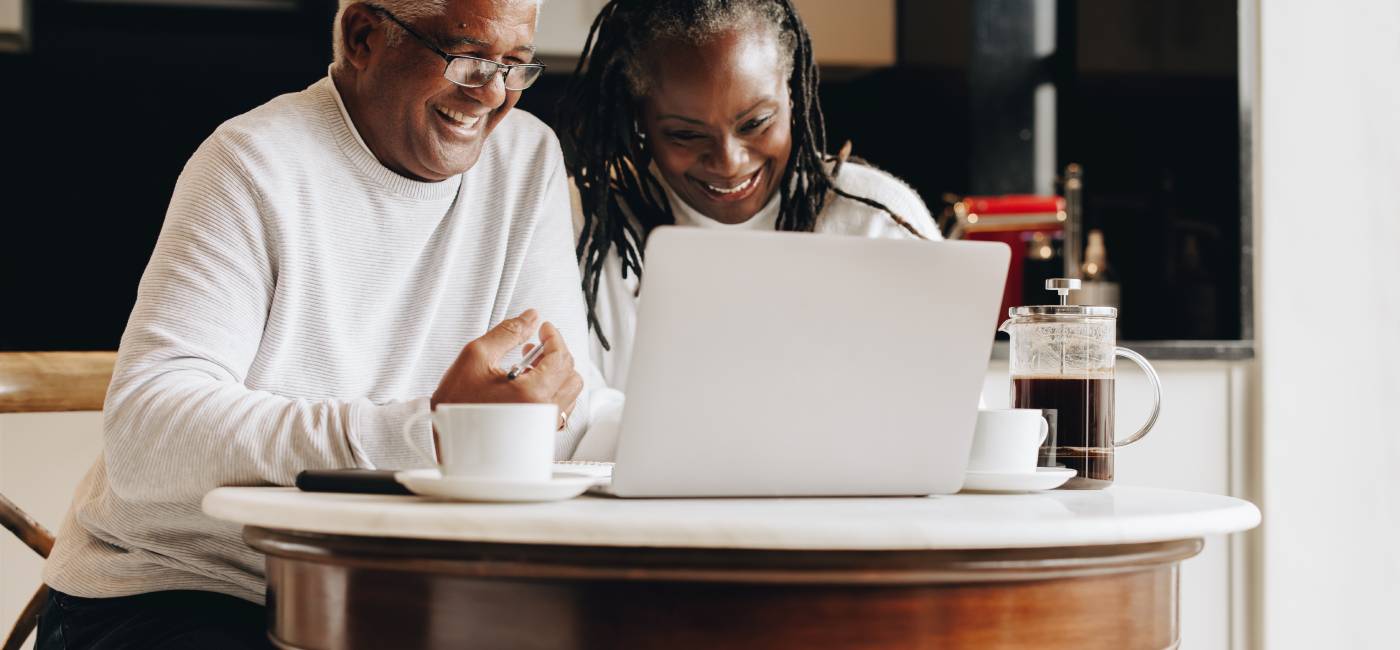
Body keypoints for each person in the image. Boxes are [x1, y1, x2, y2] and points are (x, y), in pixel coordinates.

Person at [37, 1, 601, 647]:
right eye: (468, 58)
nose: (494, 96)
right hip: (193, 590)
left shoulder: (525, 160)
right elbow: (149, 431)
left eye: (514, 65)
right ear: (364, 36)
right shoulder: (254, 160)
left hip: (393, 597)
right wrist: (435, 435)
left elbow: (563, 402)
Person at [558, 0, 944, 399]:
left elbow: (950, 411)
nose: (729, 161)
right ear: (639, 120)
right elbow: (564, 425)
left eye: (755, 123)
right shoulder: (580, 222)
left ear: (792, 94)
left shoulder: (874, 220)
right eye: (686, 135)